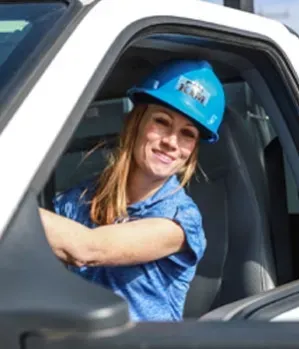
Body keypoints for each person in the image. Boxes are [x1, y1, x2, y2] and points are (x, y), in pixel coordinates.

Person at [40, 59, 225, 322]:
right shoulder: (76, 200)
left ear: (192, 150)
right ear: (135, 123)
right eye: (161, 122)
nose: (171, 142)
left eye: (187, 134)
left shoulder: (180, 222)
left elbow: (87, 249)